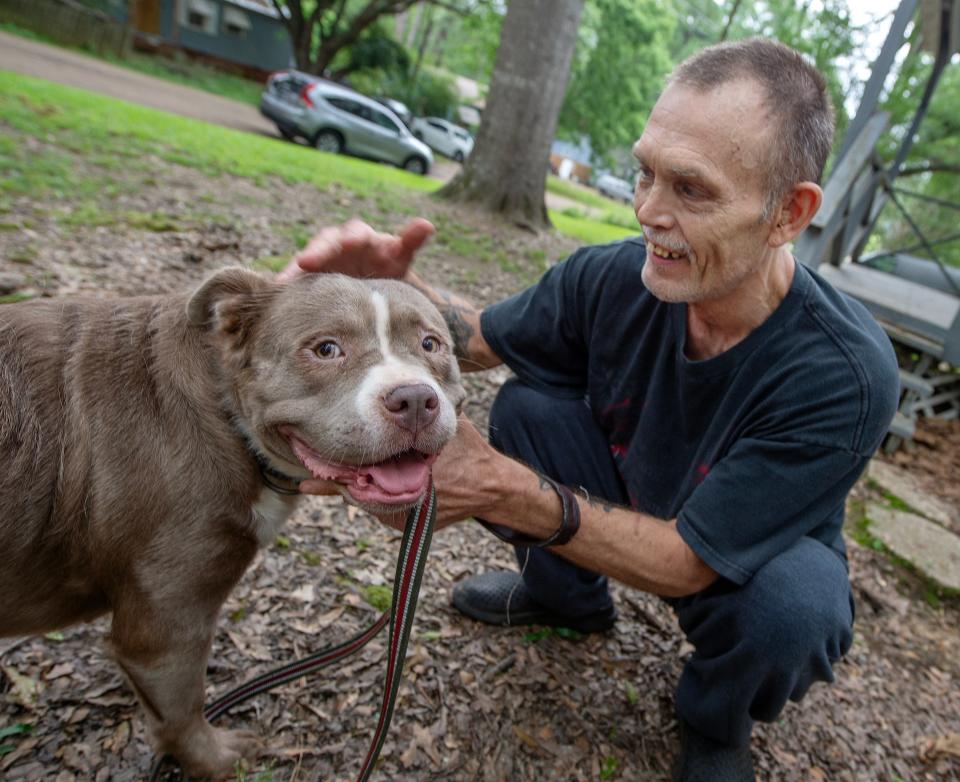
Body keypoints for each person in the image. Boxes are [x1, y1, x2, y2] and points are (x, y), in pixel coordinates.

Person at [280, 38, 900, 782]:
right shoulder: (612, 278)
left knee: (794, 612)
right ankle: (565, 600)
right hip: (624, 482)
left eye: (691, 191)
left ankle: (714, 721)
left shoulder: (845, 372)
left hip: (738, 555)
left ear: (787, 213)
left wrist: (506, 489)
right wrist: (390, 302)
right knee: (529, 407)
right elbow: (479, 339)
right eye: (645, 172)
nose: (647, 211)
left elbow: (685, 563)